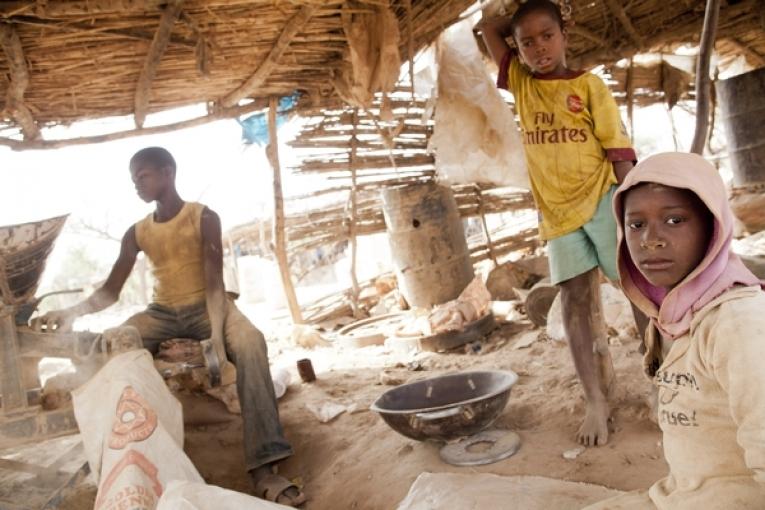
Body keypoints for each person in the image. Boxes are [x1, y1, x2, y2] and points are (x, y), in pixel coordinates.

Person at [33, 147, 306, 507]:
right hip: (162, 312)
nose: (137, 185)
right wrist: (69, 313)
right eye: (134, 179)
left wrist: (217, 340)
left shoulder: (203, 217)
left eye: (143, 176)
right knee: (113, 343)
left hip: (209, 304)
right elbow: (111, 291)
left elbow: (213, 282)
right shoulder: (137, 233)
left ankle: (265, 467)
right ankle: (135, 460)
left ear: (168, 172)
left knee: (251, 342)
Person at [478, 0, 647, 446]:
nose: (538, 48)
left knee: (636, 290)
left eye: (547, 35)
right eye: (527, 41)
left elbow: (618, 149)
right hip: (557, 213)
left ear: (564, 35)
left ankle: (660, 380)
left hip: (601, 200)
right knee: (573, 300)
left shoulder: (589, 86)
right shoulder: (520, 82)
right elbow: (487, 27)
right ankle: (595, 398)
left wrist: (628, 210)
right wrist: (510, 15)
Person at [585, 152, 765, 508]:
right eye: (636, 225)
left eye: (674, 220)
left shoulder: (740, 325)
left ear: (712, 228)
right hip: (680, 496)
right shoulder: (672, 316)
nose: (651, 239)